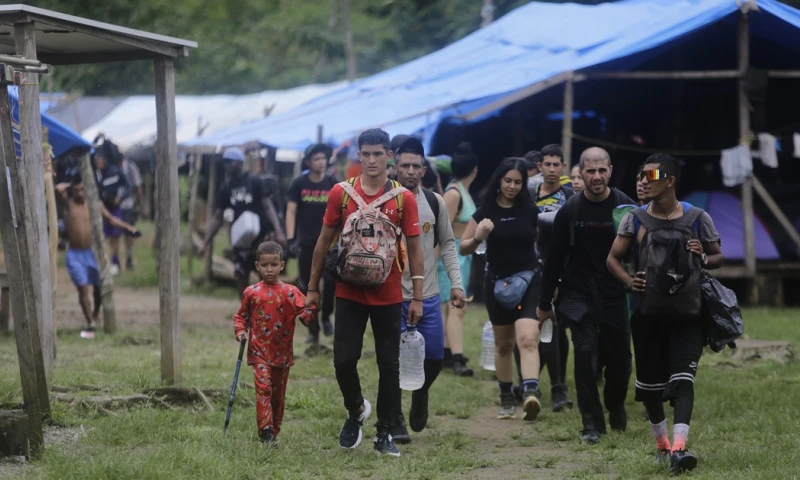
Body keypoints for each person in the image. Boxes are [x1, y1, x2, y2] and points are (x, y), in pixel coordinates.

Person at [305, 128, 425, 456]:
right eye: (366, 154)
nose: (372, 160)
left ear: (390, 156)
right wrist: (312, 288)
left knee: (389, 363)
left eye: (378, 154)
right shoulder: (340, 194)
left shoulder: (404, 199)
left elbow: (415, 250)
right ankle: (356, 408)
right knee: (343, 360)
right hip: (347, 290)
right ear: (359, 155)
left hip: (388, 293)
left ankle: (384, 430)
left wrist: (416, 295)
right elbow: (322, 242)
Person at [607, 154, 723, 474]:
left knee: (683, 381)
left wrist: (703, 256)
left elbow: (718, 257)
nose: (643, 181)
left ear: (669, 180)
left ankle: (678, 450)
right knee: (650, 388)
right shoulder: (634, 219)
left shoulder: (699, 218)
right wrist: (630, 281)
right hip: (646, 315)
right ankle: (661, 447)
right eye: (641, 175)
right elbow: (613, 259)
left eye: (651, 176)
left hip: (689, 314)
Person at [536, 147, 634, 444]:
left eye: (601, 170)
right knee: (585, 355)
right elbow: (553, 260)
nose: (596, 177)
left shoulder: (625, 207)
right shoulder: (571, 210)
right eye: (590, 171)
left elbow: (640, 249)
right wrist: (543, 304)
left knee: (620, 362)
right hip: (577, 293)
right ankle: (591, 424)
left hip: (614, 292)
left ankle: (615, 405)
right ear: (580, 172)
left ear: (610, 171)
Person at [390, 136, 466, 444]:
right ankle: (394, 419)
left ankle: (420, 395)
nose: (410, 171)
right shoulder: (385, 201)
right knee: (391, 360)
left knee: (434, 356)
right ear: (394, 168)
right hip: (392, 296)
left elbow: (447, 243)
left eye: (415, 166)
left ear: (424, 169)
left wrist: (457, 285)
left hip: (430, 294)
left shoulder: (433, 202)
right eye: (404, 165)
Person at [460, 157, 544, 422]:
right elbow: (463, 247)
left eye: (518, 182)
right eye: (508, 180)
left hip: (530, 278)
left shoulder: (531, 211)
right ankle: (507, 396)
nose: (512, 186)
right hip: (497, 283)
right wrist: (478, 236)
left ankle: (530, 392)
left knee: (528, 337)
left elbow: (545, 243)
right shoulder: (484, 211)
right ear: (499, 180)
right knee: (504, 344)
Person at [233, 241, 317, 446]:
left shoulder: (290, 292)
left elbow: (306, 310)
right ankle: (266, 430)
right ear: (257, 266)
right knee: (263, 388)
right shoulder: (251, 292)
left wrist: (309, 312)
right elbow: (241, 316)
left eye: (273, 265)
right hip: (259, 351)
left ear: (282, 265)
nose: (269, 269)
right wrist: (241, 331)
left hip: (282, 353)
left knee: (278, 396)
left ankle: (274, 430)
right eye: (264, 265)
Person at [524, 145, 575, 412]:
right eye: (548, 164)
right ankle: (528, 385)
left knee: (557, 329)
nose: (552, 169)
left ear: (564, 167)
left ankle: (558, 388)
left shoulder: (570, 196)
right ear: (540, 166)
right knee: (530, 328)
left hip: (563, 270)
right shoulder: (528, 193)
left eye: (557, 164)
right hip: (531, 268)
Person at [56, 175, 139, 335]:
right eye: (76, 190)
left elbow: (111, 219)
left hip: (92, 253)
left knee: (99, 288)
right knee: (82, 288)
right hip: (74, 254)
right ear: (72, 191)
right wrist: (70, 185)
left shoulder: (95, 205)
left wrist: (129, 228)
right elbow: (57, 189)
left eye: (82, 189)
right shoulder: (68, 205)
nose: (80, 193)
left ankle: (95, 313)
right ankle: (90, 323)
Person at [198, 147, 286, 297]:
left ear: (239, 163)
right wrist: (205, 243)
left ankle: (267, 312)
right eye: (225, 163)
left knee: (265, 275)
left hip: (260, 237)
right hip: (241, 239)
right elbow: (218, 217)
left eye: (229, 162)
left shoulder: (254, 181)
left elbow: (268, 206)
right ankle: (245, 315)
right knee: (241, 275)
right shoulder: (226, 187)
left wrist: (278, 231)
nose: (226, 165)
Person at [286, 143, 338, 344]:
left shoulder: (333, 183)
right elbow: (291, 211)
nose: (321, 162)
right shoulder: (298, 183)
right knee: (308, 286)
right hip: (306, 243)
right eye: (316, 159)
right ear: (308, 162)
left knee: (331, 282)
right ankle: (313, 330)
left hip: (329, 244)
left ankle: (326, 317)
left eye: (323, 158)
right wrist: (291, 239)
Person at [438, 142, 479, 377]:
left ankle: (446, 352)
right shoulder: (453, 193)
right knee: (456, 307)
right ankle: (457, 358)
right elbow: (441, 228)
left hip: (461, 254)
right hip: (450, 254)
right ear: (474, 170)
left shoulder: (460, 190)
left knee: (450, 307)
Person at [93, 137, 131, 276]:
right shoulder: (96, 175)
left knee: (114, 237)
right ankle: (103, 263)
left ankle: (115, 262)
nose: (98, 162)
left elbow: (129, 187)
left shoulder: (115, 171)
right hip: (101, 210)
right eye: (96, 160)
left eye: (100, 160)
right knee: (101, 237)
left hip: (114, 209)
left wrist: (120, 198)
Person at [119, 157, 146, 271]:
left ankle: (129, 257)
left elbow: (137, 187)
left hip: (127, 205)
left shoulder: (130, 166)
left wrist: (142, 206)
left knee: (128, 233)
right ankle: (115, 261)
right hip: (112, 206)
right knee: (113, 235)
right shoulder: (109, 165)